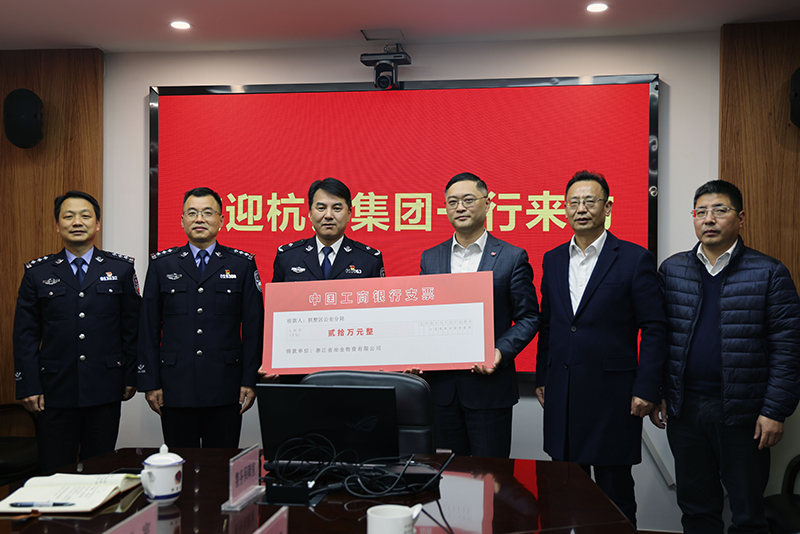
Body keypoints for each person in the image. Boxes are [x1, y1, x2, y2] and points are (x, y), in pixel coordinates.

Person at [654, 180, 800, 534]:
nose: (709, 219)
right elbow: (660, 339)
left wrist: (774, 410)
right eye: (701, 212)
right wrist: (659, 390)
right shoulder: (672, 270)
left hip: (743, 412)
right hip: (685, 410)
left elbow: (789, 348)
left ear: (741, 218)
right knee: (696, 509)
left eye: (720, 210)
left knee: (747, 513)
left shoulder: (769, 272)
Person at [535, 170, 667, 527]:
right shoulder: (552, 259)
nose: (581, 209)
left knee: (614, 496)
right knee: (563, 492)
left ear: (607, 207)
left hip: (613, 397)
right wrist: (543, 376)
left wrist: (647, 388)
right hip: (563, 394)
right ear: (564, 208)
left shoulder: (634, 258)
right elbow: (549, 323)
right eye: (574, 202)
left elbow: (654, 328)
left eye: (590, 201)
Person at [13, 191, 140, 471]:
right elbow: (25, 335)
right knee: (55, 471)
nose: (77, 222)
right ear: (57, 225)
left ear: (97, 224)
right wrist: (28, 385)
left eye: (85, 216)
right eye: (68, 216)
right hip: (54, 390)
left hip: (105, 387)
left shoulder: (121, 269)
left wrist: (131, 376)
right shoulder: (37, 273)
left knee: (100, 469)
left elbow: (132, 328)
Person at [419, 172, 539, 458]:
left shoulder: (512, 257)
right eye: (452, 202)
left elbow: (529, 317)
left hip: (489, 389)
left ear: (487, 203)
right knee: (447, 475)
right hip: (442, 391)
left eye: (468, 200)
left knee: (490, 476)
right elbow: (422, 316)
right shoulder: (430, 257)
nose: (460, 207)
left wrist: (500, 351)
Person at [138, 187, 264, 448]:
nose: (199, 219)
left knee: (221, 464)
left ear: (221, 220)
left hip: (226, 385)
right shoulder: (162, 265)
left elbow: (254, 327)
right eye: (192, 213)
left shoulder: (242, 264)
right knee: (179, 463)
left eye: (207, 213)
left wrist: (249, 380)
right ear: (182, 220)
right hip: (175, 386)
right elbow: (148, 327)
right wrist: (150, 382)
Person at [272, 177, 384, 282]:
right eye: (321, 208)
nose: (328, 215)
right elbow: (277, 296)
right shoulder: (287, 257)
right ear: (310, 213)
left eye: (337, 208)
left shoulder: (369, 260)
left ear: (349, 214)